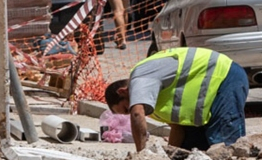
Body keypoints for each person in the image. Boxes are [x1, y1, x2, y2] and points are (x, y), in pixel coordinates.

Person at [103, 47, 249, 152]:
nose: (130, 112)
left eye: (126, 108)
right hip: (211, 92)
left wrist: (141, 155)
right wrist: (171, 154)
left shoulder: (140, 76)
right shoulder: (152, 97)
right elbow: (178, 128)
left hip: (224, 76)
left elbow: (136, 114)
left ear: (123, 91)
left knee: (224, 145)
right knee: (191, 149)